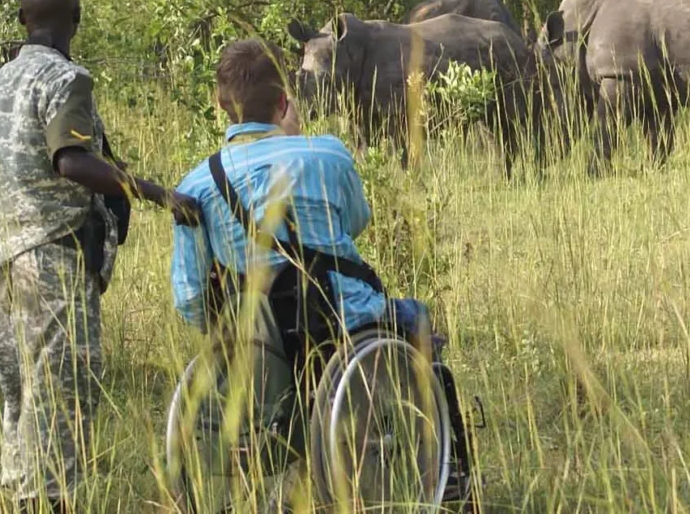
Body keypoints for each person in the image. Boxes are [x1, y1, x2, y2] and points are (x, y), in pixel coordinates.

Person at [169, 39, 468, 492]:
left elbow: (190, 296)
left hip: (258, 343)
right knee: (420, 320)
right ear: (285, 100)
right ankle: (452, 479)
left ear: (220, 104)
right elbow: (356, 223)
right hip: (347, 325)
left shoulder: (196, 184)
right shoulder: (327, 153)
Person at [0, 0, 198, 514]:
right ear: (75, 20)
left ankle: (24, 496)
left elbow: (79, 153)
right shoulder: (67, 79)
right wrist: (157, 194)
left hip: (0, 261)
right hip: (52, 258)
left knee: (20, 394)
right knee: (59, 393)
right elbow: (71, 161)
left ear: (22, 20)